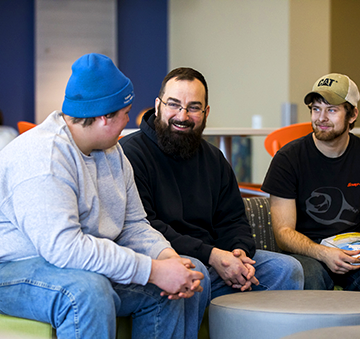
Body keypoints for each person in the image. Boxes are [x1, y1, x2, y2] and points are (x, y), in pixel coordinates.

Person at [0, 54, 210, 339]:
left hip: (80, 265)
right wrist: (151, 270)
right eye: (125, 113)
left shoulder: (111, 152)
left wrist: (169, 260)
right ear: (103, 117)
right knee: (88, 291)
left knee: (183, 279)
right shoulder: (43, 158)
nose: (129, 121)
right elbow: (64, 249)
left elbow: (134, 223)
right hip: (16, 268)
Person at [120, 67, 304, 301]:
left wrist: (238, 253)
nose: (182, 116)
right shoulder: (130, 154)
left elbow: (233, 219)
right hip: (167, 259)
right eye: (173, 104)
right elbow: (145, 227)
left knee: (287, 269)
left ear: (206, 112)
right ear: (158, 106)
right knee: (195, 273)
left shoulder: (214, 158)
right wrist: (213, 256)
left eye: (193, 107)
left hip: (215, 259)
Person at [261, 73, 360, 290]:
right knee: (309, 278)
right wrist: (324, 253)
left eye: (331, 110)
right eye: (316, 109)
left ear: (352, 114)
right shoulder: (288, 158)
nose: (321, 118)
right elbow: (283, 234)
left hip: (353, 250)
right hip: (307, 253)